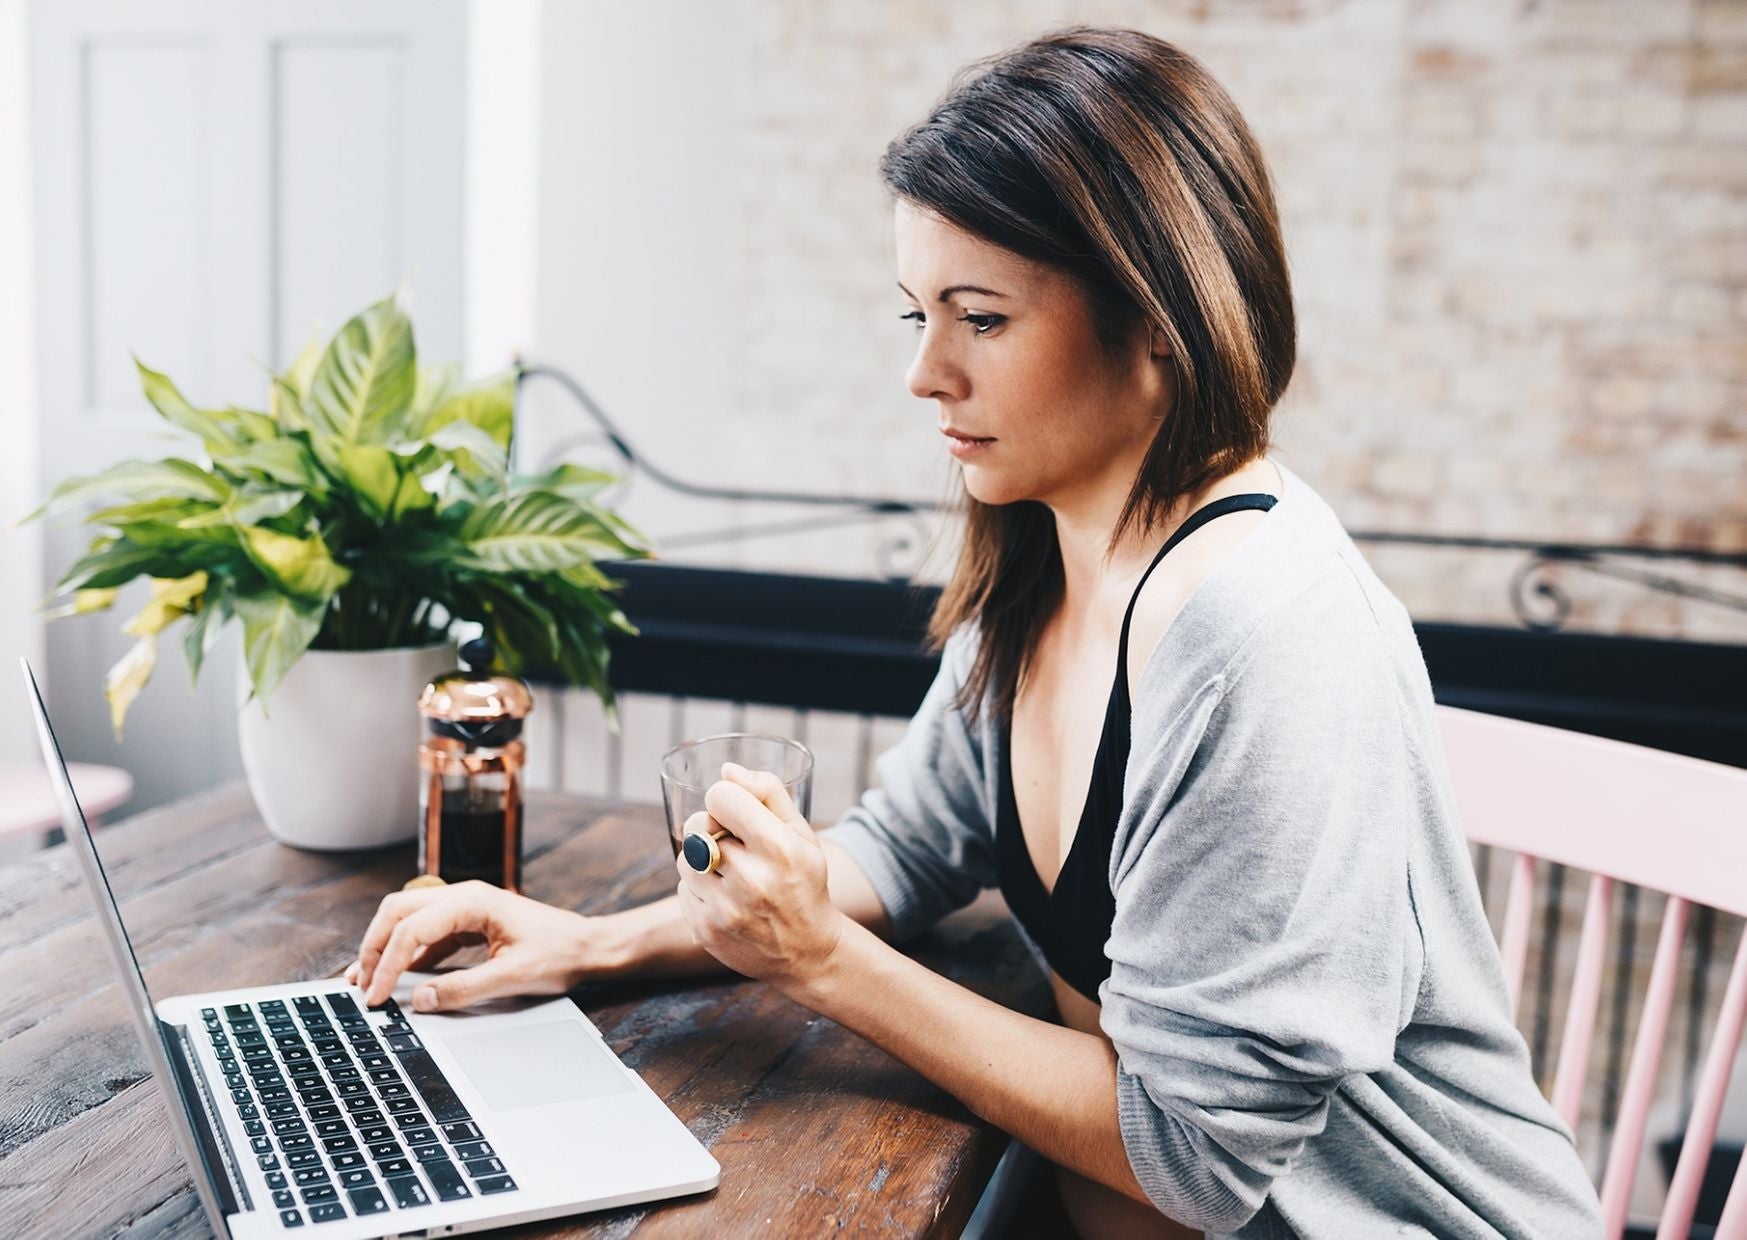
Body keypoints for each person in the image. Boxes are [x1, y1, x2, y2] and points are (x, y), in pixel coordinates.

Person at [348, 27, 1603, 1238]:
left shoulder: (1266, 632)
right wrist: (594, 947)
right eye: (917, 315)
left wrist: (822, 962)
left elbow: (1198, 1158)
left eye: (981, 318)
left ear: (1157, 320)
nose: (924, 373)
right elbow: (903, 845)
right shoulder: (1053, 548)